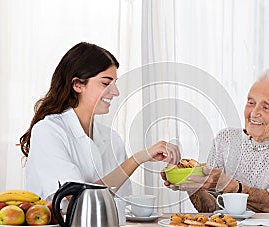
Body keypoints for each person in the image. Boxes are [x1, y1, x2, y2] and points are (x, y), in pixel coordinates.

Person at [20, 42, 180, 201]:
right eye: (105, 83)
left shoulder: (112, 139)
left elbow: (122, 203)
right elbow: (79, 199)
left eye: (114, 84)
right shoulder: (48, 131)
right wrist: (137, 159)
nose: (115, 92)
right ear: (77, 85)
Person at [162, 69, 269, 213]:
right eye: (251, 103)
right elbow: (211, 210)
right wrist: (193, 185)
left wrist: (231, 186)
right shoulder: (225, 140)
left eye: (266, 107)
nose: (254, 112)